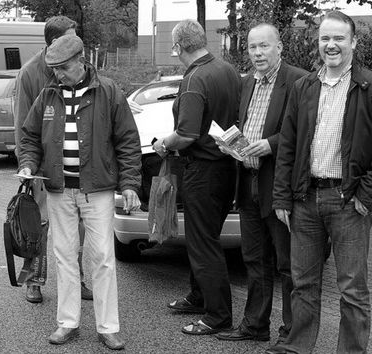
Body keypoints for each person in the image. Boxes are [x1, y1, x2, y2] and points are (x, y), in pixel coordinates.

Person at [273, 11, 372, 354]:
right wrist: (281, 198)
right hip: (305, 199)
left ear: (353, 42)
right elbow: (288, 145)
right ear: (317, 43)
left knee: (352, 290)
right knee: (303, 284)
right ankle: (298, 347)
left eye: (338, 38)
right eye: (324, 38)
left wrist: (367, 192)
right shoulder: (304, 87)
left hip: (348, 202)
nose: (331, 45)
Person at [18, 34, 142, 351]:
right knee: (64, 257)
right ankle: (67, 323)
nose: (58, 74)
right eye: (54, 68)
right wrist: (28, 164)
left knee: (102, 258)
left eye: (63, 68)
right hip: (59, 190)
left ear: (81, 60)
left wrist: (129, 184)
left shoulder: (109, 91)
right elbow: (30, 137)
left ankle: (108, 327)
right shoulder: (47, 95)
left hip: (97, 190)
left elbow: (128, 142)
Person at [213, 23, 308, 354]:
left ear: (279, 47)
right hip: (248, 181)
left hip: (278, 187)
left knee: (287, 265)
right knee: (254, 259)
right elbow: (247, 126)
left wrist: (269, 145)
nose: (257, 53)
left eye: (264, 47)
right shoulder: (247, 82)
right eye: (252, 47)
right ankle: (255, 326)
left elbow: (305, 134)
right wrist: (233, 146)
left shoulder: (298, 80)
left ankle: (290, 334)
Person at [152, 19, 241, 335]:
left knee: (203, 244)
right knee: (207, 238)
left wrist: (163, 144)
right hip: (226, 167)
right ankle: (198, 295)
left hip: (202, 169)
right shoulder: (227, 70)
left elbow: (186, 134)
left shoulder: (194, 80)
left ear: (178, 47)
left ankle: (217, 315)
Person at [13, 15, 92, 304]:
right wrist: (27, 166)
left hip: (77, 164)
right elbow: (24, 124)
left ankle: (77, 277)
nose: (77, 44)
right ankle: (34, 279)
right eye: (71, 37)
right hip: (44, 167)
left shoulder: (82, 65)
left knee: (79, 224)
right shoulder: (30, 73)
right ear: (54, 42)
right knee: (40, 224)